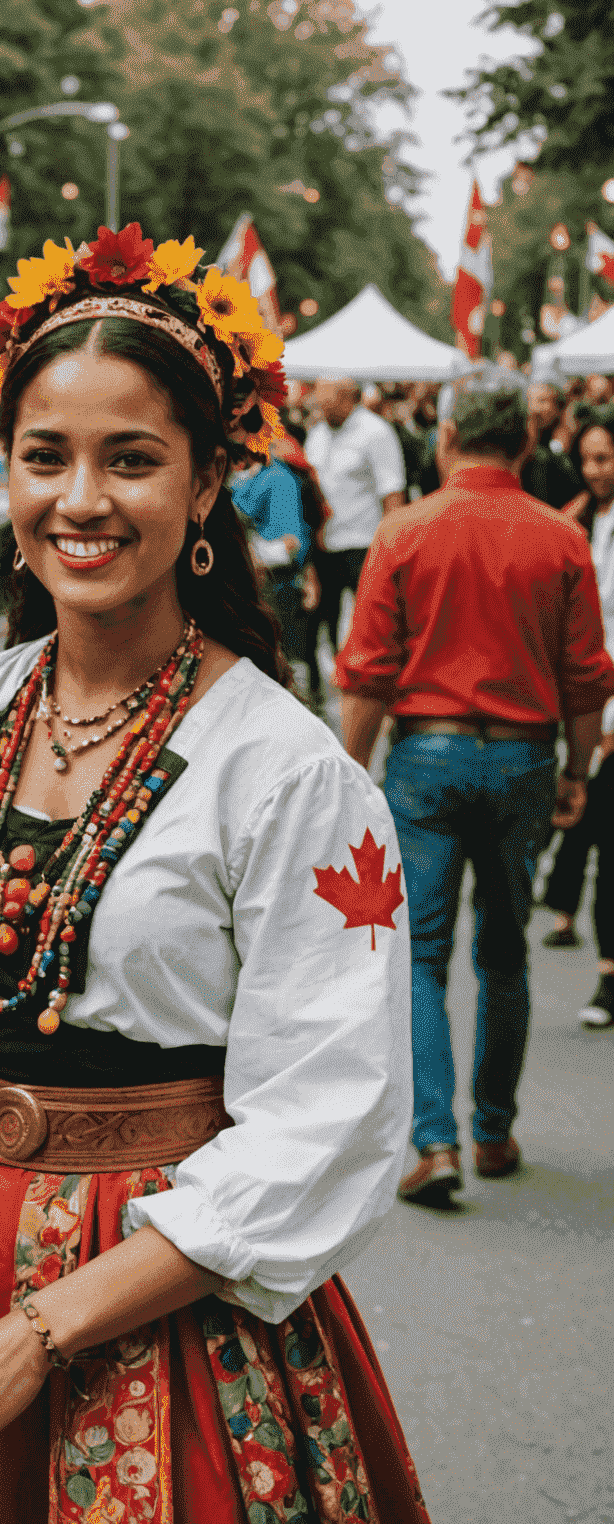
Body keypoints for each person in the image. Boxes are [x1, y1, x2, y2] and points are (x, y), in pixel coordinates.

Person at [0, 228, 426, 1521]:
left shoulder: (285, 771)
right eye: (45, 458)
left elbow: (327, 1115)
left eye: (134, 460)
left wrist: (41, 1330)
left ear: (211, 480)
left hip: (174, 1293)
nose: (82, 501)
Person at [337, 367, 614, 1207]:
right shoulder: (560, 538)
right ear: (528, 443)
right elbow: (586, 677)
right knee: (505, 948)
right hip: (524, 756)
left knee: (421, 954)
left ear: (446, 436)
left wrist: (349, 774)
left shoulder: (405, 533)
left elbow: (369, 671)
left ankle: (434, 1141)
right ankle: (493, 1128)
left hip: (427, 755)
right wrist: (576, 769)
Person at [541, 410, 614, 1027]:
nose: (596, 470)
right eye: (589, 459)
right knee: (595, 833)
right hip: (588, 707)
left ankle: (608, 976)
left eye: (606, 458)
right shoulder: (576, 522)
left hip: (608, 709)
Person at [304, 376, 406, 698]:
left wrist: (390, 550)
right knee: (324, 618)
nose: (319, 406)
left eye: (326, 399)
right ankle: (330, 684)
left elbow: (393, 494)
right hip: (326, 542)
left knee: (372, 620)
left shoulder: (376, 432)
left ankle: (373, 682)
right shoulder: (318, 433)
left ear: (348, 397)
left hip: (364, 543)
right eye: (317, 400)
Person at [228, 449, 311, 687]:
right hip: (266, 581)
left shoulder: (275, 478)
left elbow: (290, 545)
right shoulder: (262, 477)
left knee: (287, 656)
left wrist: (253, 555)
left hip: (278, 582)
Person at [521, 380, 580, 509]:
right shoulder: (522, 447)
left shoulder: (568, 439)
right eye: (530, 401)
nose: (534, 408)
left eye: (542, 401)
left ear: (558, 408)